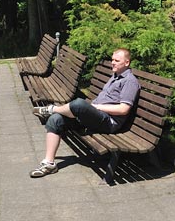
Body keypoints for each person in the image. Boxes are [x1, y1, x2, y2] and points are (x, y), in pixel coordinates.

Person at [32, 47, 138, 178]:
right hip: (96, 117)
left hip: (109, 122)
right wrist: (92, 108)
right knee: (56, 119)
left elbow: (123, 109)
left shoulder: (130, 81)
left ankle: (51, 108)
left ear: (127, 63)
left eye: (117, 60)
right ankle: (49, 163)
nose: (113, 63)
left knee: (78, 103)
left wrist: (96, 107)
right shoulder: (115, 76)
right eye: (112, 60)